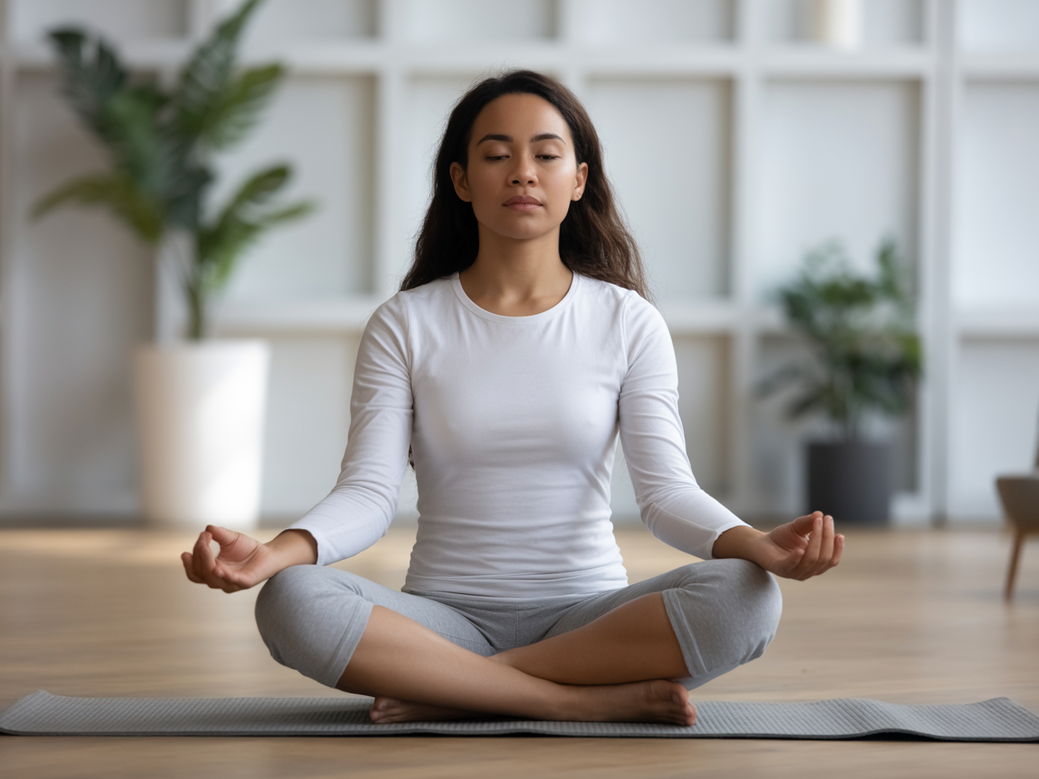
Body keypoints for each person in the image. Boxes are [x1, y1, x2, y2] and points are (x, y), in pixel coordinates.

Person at [181, 70, 843, 727]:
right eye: (496, 155)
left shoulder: (627, 320)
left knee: (745, 596)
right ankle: (567, 699)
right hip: (442, 620)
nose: (522, 172)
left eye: (546, 155)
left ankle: (455, 691)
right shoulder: (405, 323)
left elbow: (665, 495)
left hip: (589, 622)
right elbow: (369, 494)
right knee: (291, 597)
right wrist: (277, 552)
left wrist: (753, 543)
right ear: (461, 180)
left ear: (577, 180)